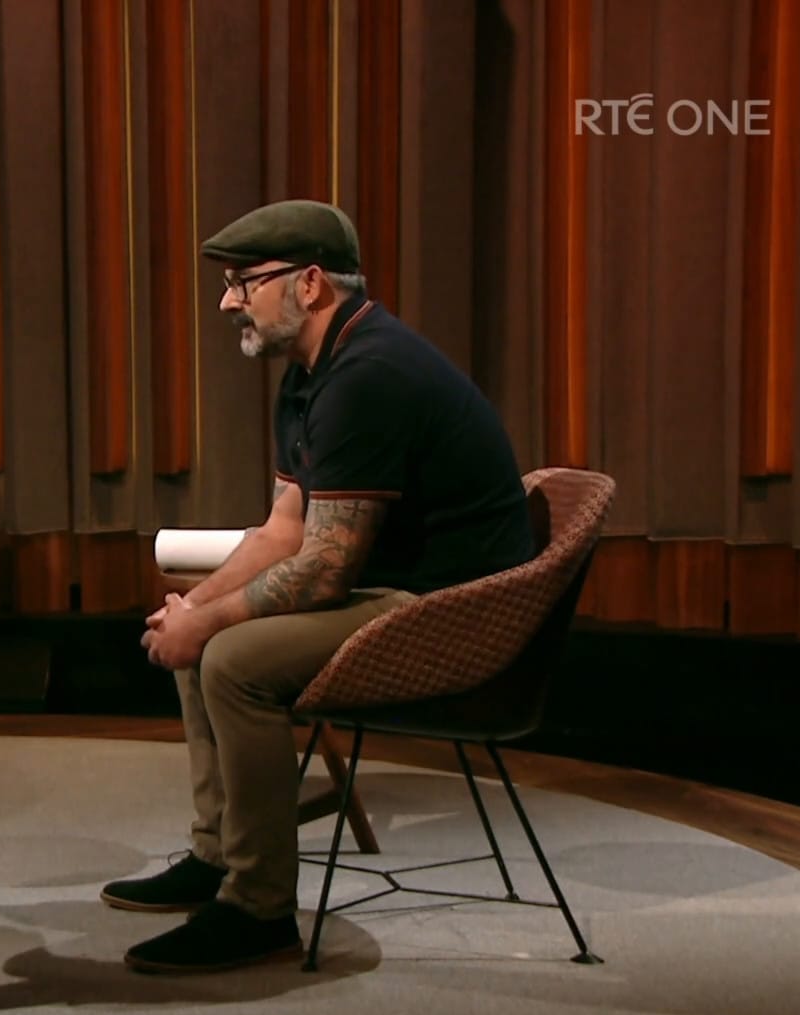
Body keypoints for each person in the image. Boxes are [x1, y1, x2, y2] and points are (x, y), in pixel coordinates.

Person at [111, 199, 537, 973]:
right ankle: (218, 855)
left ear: (310, 284)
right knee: (196, 635)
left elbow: (326, 565)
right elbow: (282, 532)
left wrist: (207, 628)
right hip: (395, 590)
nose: (227, 300)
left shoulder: (371, 374)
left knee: (230, 662)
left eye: (246, 281)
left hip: (451, 612)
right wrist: (193, 609)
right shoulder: (313, 374)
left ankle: (259, 905)